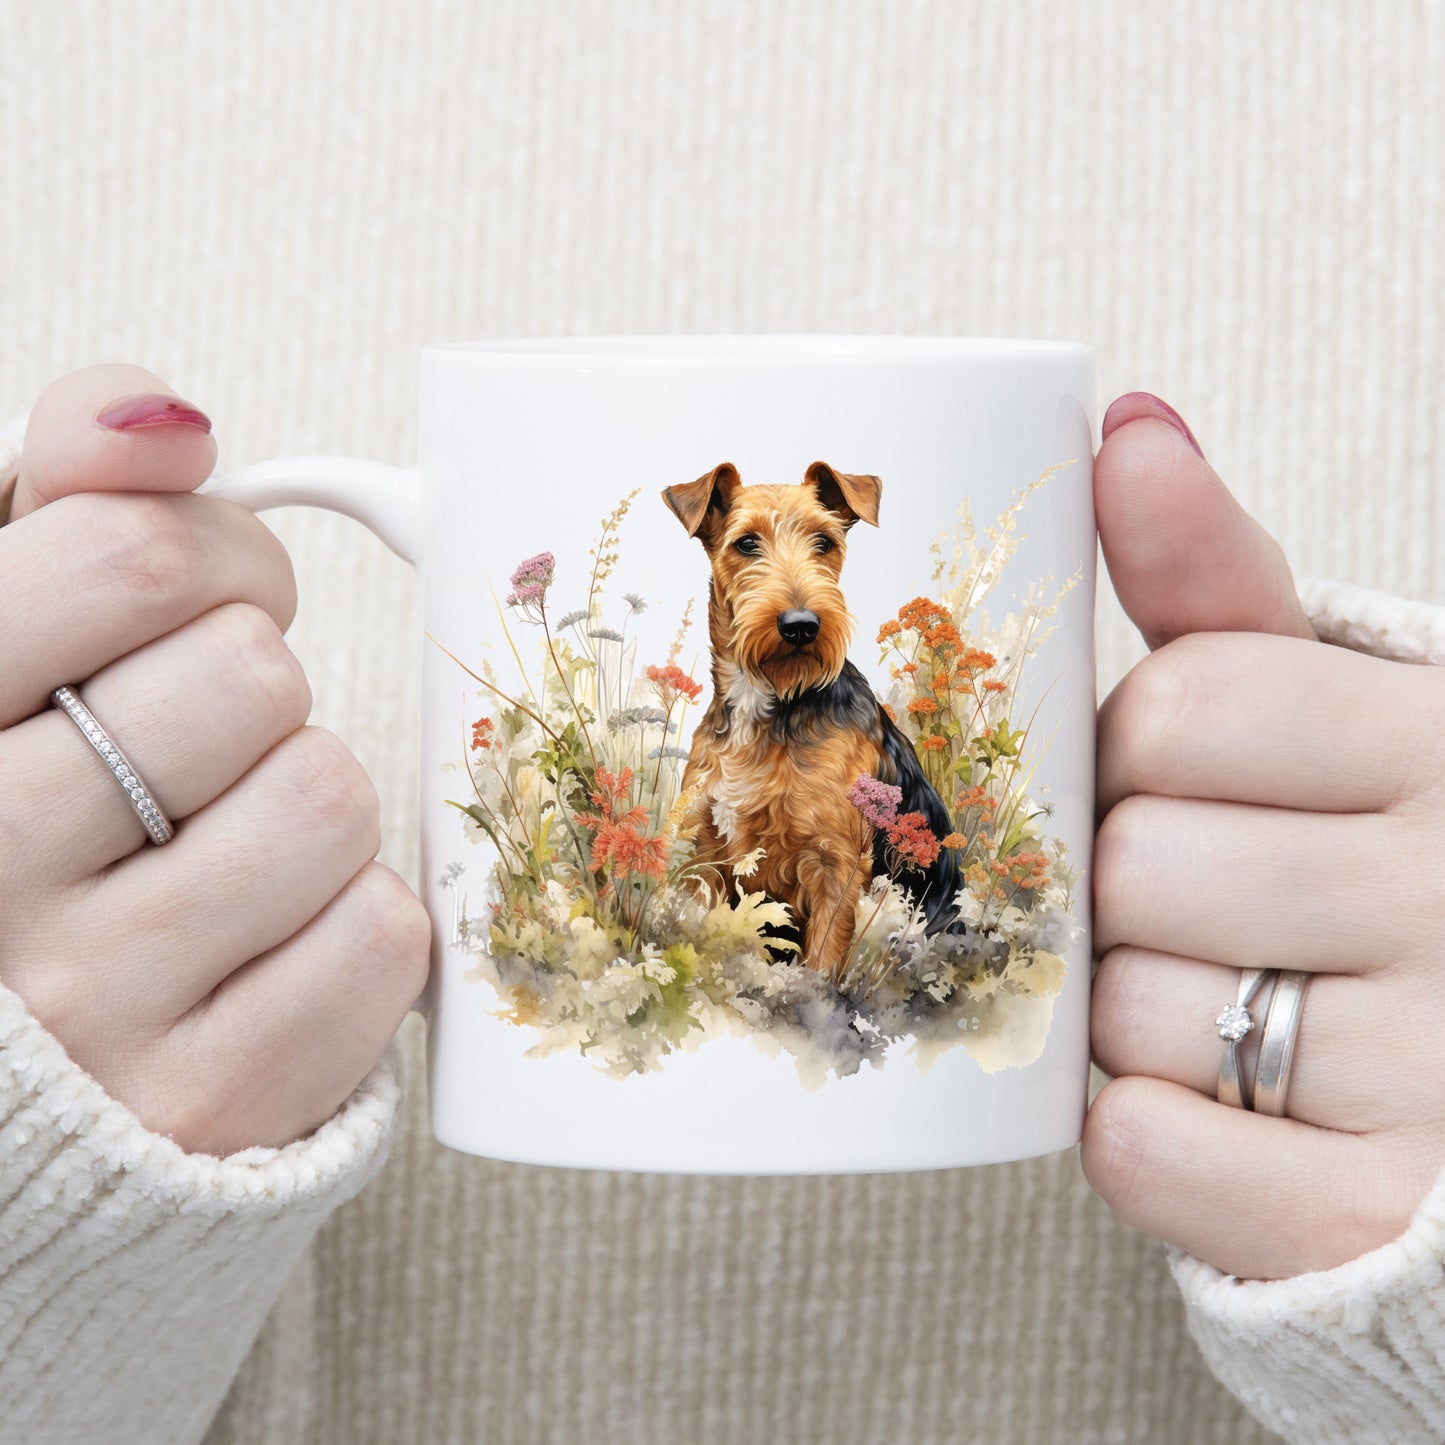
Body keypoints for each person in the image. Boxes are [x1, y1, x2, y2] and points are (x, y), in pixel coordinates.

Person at [0, 365, 1442, 1445]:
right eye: (751, 545)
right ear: (702, 541)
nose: (794, 582)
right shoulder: (712, 742)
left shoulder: (848, 734)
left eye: (821, 544)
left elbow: (845, 874)